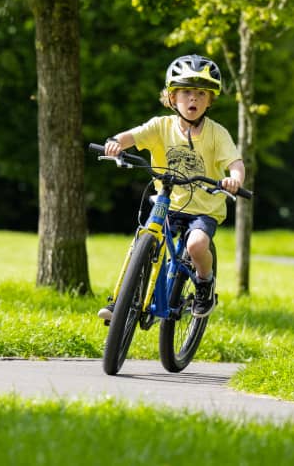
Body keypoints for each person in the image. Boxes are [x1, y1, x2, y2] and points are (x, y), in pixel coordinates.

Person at [99, 54, 245, 320]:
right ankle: (121, 300)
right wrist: (115, 143)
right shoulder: (161, 126)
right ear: (172, 96)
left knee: (197, 246)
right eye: (186, 92)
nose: (193, 99)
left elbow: (235, 162)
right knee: (143, 239)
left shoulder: (217, 133)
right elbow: (131, 136)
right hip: (168, 201)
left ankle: (204, 283)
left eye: (201, 93)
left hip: (204, 208)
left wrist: (234, 179)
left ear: (210, 99)